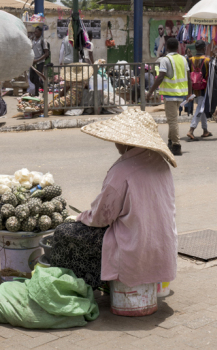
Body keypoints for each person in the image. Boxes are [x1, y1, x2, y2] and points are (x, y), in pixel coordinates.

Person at [50, 109, 176, 290]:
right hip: (161, 245)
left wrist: (80, 217)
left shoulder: (122, 171)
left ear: (125, 141)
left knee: (64, 233)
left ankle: (79, 289)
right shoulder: (159, 162)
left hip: (135, 248)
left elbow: (101, 218)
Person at [147, 36, 188, 156]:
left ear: (167, 47)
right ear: (177, 47)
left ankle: (176, 145)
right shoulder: (183, 59)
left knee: (173, 120)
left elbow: (160, 76)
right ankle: (170, 142)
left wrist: (150, 92)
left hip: (170, 94)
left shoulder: (165, 60)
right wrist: (190, 93)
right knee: (172, 119)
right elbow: (189, 77)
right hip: (181, 94)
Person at [186, 41, 213, 141]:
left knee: (202, 107)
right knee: (201, 108)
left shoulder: (190, 60)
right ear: (204, 48)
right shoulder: (207, 60)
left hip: (194, 87)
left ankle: (205, 130)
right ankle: (191, 129)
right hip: (204, 87)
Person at [29, 23, 50, 95]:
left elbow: (46, 53)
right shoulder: (33, 40)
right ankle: (43, 86)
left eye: (37, 32)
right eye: (35, 32)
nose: (35, 33)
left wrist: (37, 60)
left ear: (40, 32)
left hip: (40, 62)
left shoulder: (43, 41)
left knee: (37, 78)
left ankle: (36, 93)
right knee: (31, 77)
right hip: (33, 61)